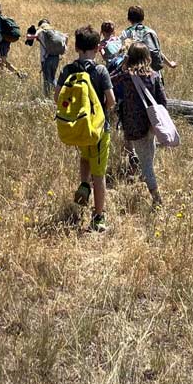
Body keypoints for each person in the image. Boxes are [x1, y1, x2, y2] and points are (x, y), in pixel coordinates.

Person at [56, 24, 116, 232]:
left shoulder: (68, 70)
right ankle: (99, 217)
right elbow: (111, 100)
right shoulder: (100, 71)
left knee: (84, 156)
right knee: (99, 176)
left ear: (76, 47)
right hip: (99, 129)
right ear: (98, 48)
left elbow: (57, 97)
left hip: (78, 127)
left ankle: (83, 183)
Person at [113, 42, 167, 208]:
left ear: (130, 57)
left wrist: (123, 63)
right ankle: (148, 176)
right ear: (147, 57)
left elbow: (110, 79)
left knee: (145, 162)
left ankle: (156, 197)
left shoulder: (126, 76)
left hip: (134, 125)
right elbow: (163, 101)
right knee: (149, 154)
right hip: (152, 123)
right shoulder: (154, 75)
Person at [119, 5, 177, 74]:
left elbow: (122, 54)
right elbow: (157, 52)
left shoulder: (125, 33)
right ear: (143, 18)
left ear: (129, 18)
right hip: (151, 73)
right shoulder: (151, 32)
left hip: (132, 73)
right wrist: (170, 64)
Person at [26, 19, 68, 96]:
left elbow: (29, 37)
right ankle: (58, 95)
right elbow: (66, 37)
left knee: (47, 80)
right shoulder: (55, 32)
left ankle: (48, 97)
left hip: (46, 59)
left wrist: (29, 33)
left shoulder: (41, 32)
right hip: (56, 57)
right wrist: (64, 49)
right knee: (53, 77)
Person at [0, 2, 26, 78]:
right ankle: (3, 76)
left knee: (2, 60)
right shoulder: (1, 16)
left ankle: (19, 74)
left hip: (2, 41)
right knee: (1, 61)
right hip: (7, 40)